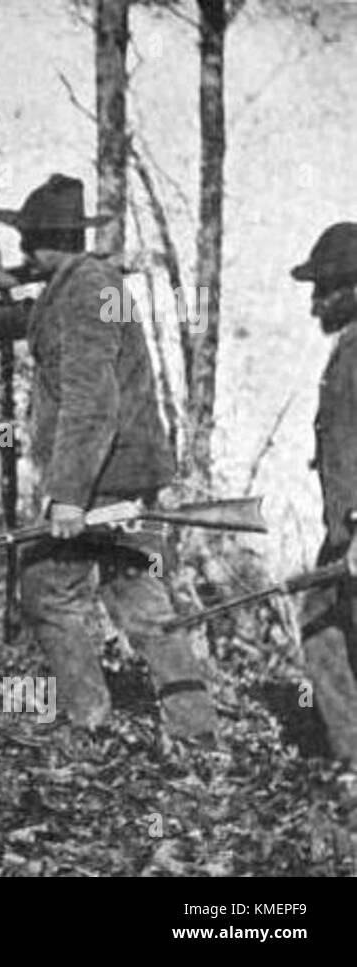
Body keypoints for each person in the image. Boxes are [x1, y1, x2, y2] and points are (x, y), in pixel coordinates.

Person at [0, 173, 218, 743]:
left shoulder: (85, 288)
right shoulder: (77, 284)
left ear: (36, 240)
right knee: (139, 598)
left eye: (25, 240)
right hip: (125, 475)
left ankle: (90, 720)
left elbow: (92, 401)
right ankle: (197, 733)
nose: (20, 252)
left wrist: (70, 496)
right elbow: (5, 321)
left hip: (104, 480)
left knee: (47, 586)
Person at [291, 222, 357, 764]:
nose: (315, 305)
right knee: (322, 627)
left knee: (321, 628)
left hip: (354, 533)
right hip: (345, 533)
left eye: (326, 289)